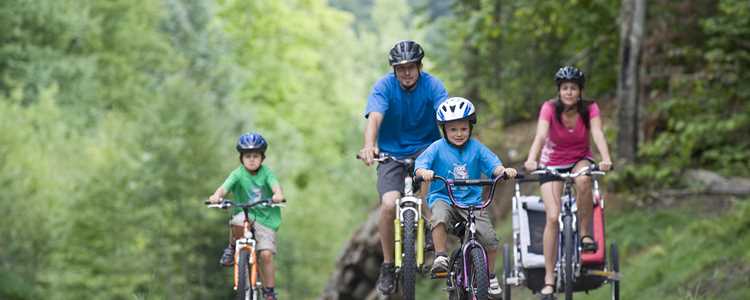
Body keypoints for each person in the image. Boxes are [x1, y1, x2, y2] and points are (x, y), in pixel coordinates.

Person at [358, 40, 448, 295]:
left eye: (411, 67)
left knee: (429, 196)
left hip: (426, 151)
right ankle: (388, 264)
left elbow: (446, 114)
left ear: (419, 66)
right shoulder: (384, 87)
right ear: (394, 69)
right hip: (390, 155)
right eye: (401, 68)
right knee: (388, 205)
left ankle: (433, 232)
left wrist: (450, 145)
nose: (406, 72)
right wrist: (368, 145)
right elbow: (375, 117)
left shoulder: (433, 85)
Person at [523, 66, 612, 299]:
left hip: (579, 160)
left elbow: (598, 133)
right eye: (565, 88)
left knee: (584, 180)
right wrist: (532, 159)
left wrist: (606, 159)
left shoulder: (590, 108)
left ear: (580, 91)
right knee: (552, 217)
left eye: (573, 88)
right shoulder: (549, 108)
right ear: (559, 91)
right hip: (551, 163)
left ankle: (584, 234)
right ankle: (549, 281)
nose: (569, 92)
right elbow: (541, 136)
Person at [414, 97, 517, 299]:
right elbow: (421, 165)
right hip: (444, 196)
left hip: (473, 202)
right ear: (444, 130)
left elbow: (493, 166)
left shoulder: (477, 148)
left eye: (463, 128)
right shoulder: (437, 148)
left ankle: (490, 275)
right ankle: (441, 256)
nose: (459, 134)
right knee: (439, 217)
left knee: (489, 239)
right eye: (453, 130)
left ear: (470, 127)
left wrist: (503, 171)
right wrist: (424, 172)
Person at [208, 132, 285, 300]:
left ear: (262, 158)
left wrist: (277, 195)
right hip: (245, 215)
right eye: (248, 156)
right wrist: (216, 196)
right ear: (241, 158)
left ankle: (269, 291)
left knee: (265, 254)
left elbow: (276, 187)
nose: (251, 159)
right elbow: (223, 188)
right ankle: (232, 247)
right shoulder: (237, 174)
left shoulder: (267, 173)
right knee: (236, 221)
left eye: (256, 156)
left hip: (266, 219)